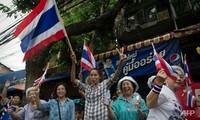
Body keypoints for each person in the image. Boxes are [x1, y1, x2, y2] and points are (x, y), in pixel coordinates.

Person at [70, 48, 126, 120]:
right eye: (91, 75)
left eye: (95, 75)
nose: (93, 77)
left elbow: (114, 76)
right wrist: (73, 63)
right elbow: (73, 80)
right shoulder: (87, 88)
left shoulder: (104, 84)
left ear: (99, 77)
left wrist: (121, 62)